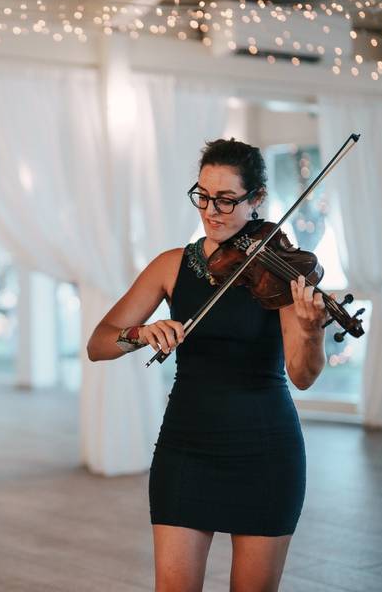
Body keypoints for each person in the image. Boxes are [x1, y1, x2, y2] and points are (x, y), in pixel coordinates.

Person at [87, 139, 327, 592]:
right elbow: (98, 344)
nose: (211, 211)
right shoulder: (171, 265)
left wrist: (312, 331)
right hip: (186, 449)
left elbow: (302, 374)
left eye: (226, 200)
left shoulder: (279, 272)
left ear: (257, 199)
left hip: (266, 451)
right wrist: (139, 334)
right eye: (202, 196)